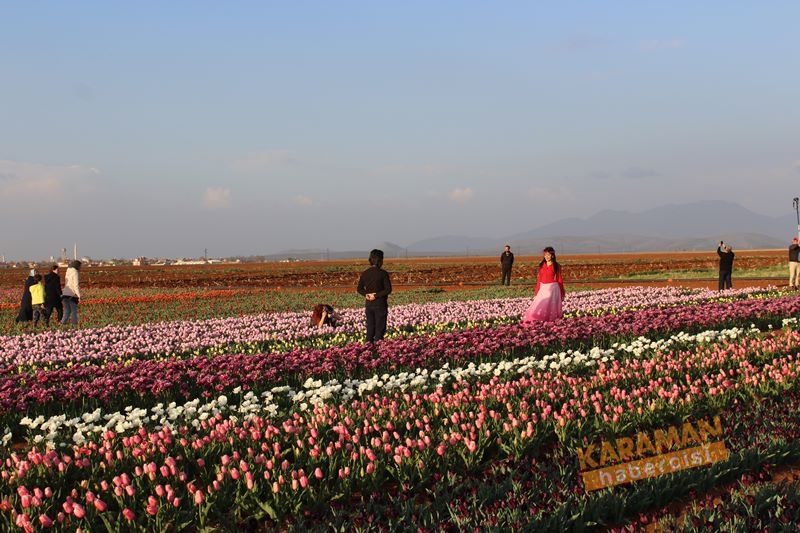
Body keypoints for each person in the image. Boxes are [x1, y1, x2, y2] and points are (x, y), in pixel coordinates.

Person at [356, 249, 392, 343]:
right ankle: (378, 351)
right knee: (379, 330)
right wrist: (376, 295)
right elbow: (388, 290)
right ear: (380, 260)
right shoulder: (383, 273)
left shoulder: (365, 273)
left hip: (369, 305)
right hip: (380, 304)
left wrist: (367, 295)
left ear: (370, 260)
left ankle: (368, 349)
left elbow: (359, 289)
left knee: (370, 329)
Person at [522, 246, 565, 323]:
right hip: (543, 288)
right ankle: (536, 320)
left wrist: (562, 292)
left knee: (550, 307)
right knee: (538, 304)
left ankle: (549, 322)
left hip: (553, 289)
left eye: (548, 255)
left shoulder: (556, 266)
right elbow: (539, 279)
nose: (546, 257)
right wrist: (537, 290)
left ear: (552, 255)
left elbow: (559, 279)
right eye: (545, 255)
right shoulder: (542, 265)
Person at [61, 260, 82, 326]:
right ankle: (74, 325)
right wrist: (79, 295)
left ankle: (62, 324)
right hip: (72, 295)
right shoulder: (75, 272)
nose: (81, 268)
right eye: (80, 266)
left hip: (65, 294)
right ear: (77, 266)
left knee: (67, 311)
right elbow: (75, 285)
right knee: (74, 311)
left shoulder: (68, 272)